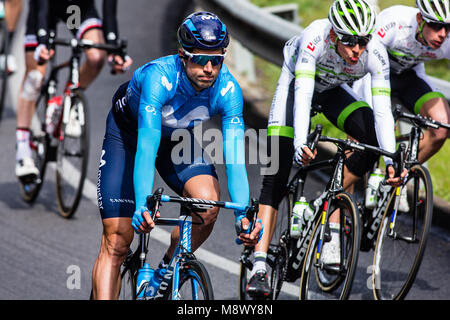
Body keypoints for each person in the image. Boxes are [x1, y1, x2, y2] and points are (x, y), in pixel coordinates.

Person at [91, 11, 263, 300]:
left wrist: (243, 215)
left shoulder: (227, 89)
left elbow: (235, 159)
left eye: (217, 60)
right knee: (118, 240)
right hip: (130, 137)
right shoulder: (158, 78)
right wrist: (142, 206)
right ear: (183, 56)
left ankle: (163, 275)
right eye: (200, 59)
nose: (209, 68)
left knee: (207, 206)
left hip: (175, 140)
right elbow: (146, 147)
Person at [246, 0, 406, 298]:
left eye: (363, 41)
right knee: (276, 175)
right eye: (349, 41)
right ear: (334, 34)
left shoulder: (374, 53)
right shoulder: (315, 37)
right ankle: (259, 267)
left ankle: (325, 199)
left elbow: (383, 110)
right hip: (296, 86)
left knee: (372, 140)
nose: (357, 49)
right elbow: (304, 93)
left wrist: (390, 160)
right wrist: (299, 144)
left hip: (333, 91)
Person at [15, 0, 132, 180]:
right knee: (35, 76)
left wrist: (114, 49)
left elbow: (109, 10)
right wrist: (42, 41)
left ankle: (65, 101)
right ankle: (23, 148)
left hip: (75, 10)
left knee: (96, 57)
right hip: (43, 8)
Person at [353, 0, 450, 165]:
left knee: (441, 127)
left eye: (448, 28)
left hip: (408, 77)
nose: (442, 34)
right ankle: (347, 189)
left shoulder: (447, 41)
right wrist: (378, 116)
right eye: (435, 25)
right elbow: (364, 64)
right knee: (360, 135)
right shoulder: (395, 21)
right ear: (420, 18)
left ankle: (400, 173)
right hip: (371, 74)